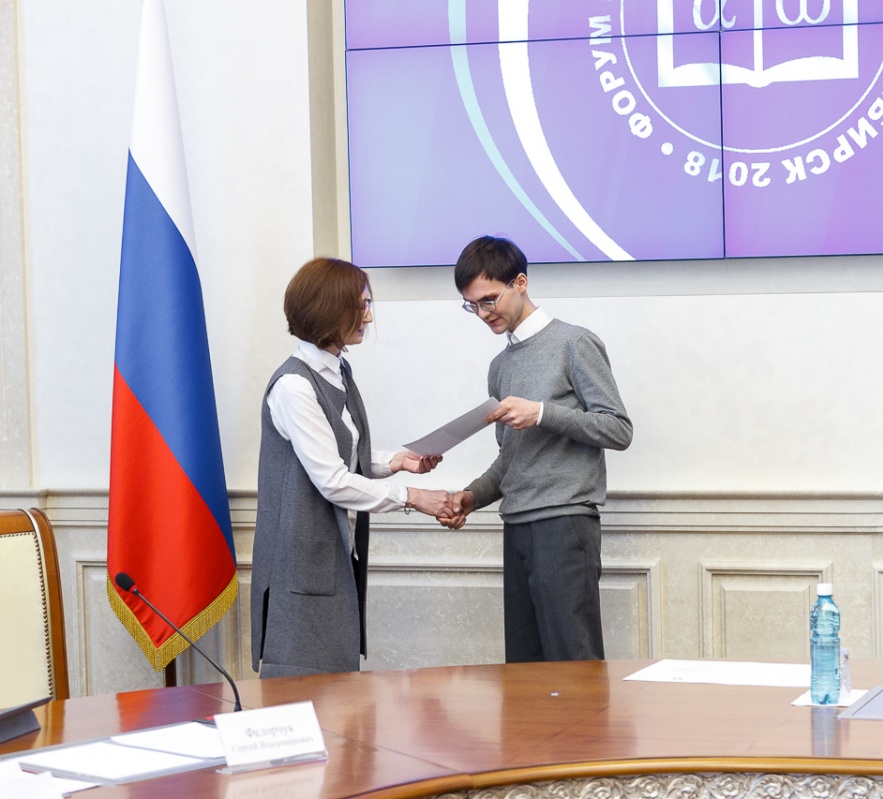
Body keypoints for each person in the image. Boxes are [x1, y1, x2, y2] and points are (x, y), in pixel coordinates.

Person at [250, 257, 454, 677]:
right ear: (328, 308)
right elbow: (332, 480)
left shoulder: (338, 369)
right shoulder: (294, 386)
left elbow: (340, 451)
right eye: (361, 306)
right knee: (304, 690)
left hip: (331, 558)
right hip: (300, 566)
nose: (369, 317)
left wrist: (396, 461)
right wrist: (413, 497)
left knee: (338, 694)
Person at [438, 236, 633, 662]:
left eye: (489, 300)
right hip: (517, 525)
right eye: (472, 306)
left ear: (521, 283)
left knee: (573, 665)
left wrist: (542, 413)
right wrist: (472, 496)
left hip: (564, 522)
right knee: (524, 671)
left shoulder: (574, 343)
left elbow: (618, 429)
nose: (483, 314)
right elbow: (511, 458)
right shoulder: (500, 367)